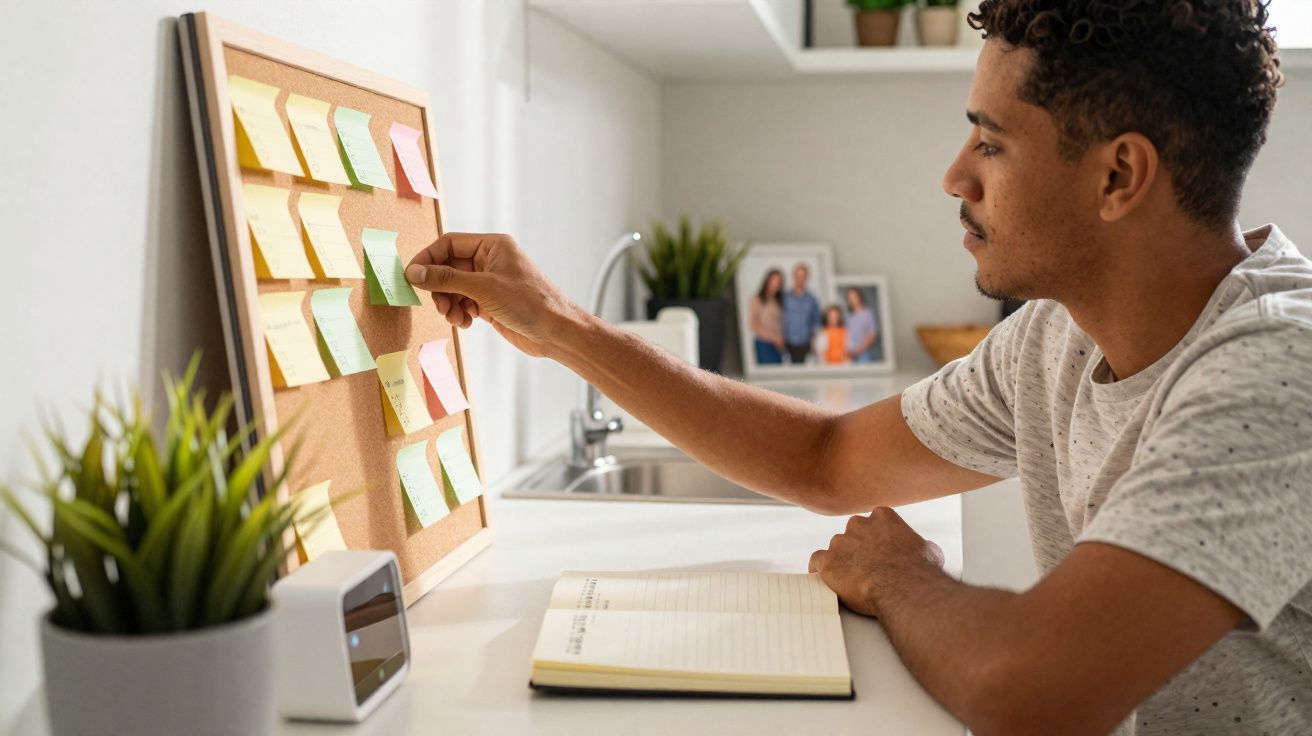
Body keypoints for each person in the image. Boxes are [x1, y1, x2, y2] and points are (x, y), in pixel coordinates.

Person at [402, 2, 1310, 733]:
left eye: (991, 143)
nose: (955, 175)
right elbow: (827, 459)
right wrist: (559, 325)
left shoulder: (1276, 364)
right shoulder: (1055, 339)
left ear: (1118, 177)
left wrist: (901, 577)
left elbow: (1032, 692)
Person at [781, 263, 821, 364]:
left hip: (805, 343)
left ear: (807, 278)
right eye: (798, 276)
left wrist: (814, 340)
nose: (800, 279)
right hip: (786, 342)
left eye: (803, 276)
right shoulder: (785, 297)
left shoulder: (811, 299)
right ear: (793, 276)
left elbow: (816, 321)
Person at [748, 269, 785, 365]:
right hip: (763, 343)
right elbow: (754, 325)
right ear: (767, 280)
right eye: (773, 280)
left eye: (778, 281)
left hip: (778, 345)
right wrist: (774, 338)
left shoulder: (779, 301)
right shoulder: (757, 299)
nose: (775, 284)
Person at [843, 287, 880, 364]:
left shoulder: (867, 314)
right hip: (850, 354)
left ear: (860, 297)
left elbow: (872, 337)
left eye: (854, 297)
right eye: (849, 298)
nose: (852, 300)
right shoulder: (848, 316)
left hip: (864, 354)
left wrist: (857, 351)